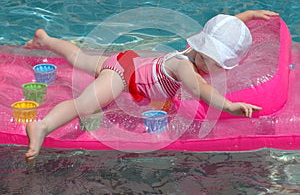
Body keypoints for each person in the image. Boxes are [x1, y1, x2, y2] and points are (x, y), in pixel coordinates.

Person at [24, 9, 278, 163]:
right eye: (215, 63)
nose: (215, 69)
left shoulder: (196, 51)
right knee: (85, 105)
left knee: (80, 59)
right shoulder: (184, 66)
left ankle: (45, 39)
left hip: (129, 61)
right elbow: (202, 90)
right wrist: (230, 105)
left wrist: (250, 16)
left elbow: (223, 28)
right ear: (204, 52)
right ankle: (42, 126)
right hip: (121, 77)